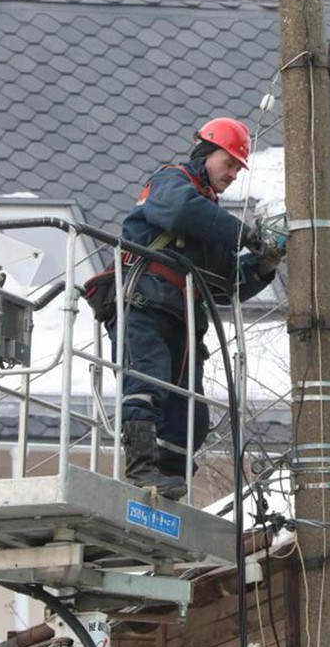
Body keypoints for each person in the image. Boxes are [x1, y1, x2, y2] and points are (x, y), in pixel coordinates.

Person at [114, 117, 280, 498]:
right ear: (207, 152)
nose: (234, 174)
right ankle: (142, 468)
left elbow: (226, 285)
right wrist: (245, 234)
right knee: (148, 380)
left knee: (192, 410)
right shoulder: (172, 183)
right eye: (230, 162)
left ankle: (171, 480)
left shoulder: (210, 215)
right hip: (147, 303)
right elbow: (177, 212)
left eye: (239, 167)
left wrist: (264, 264)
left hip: (186, 318)